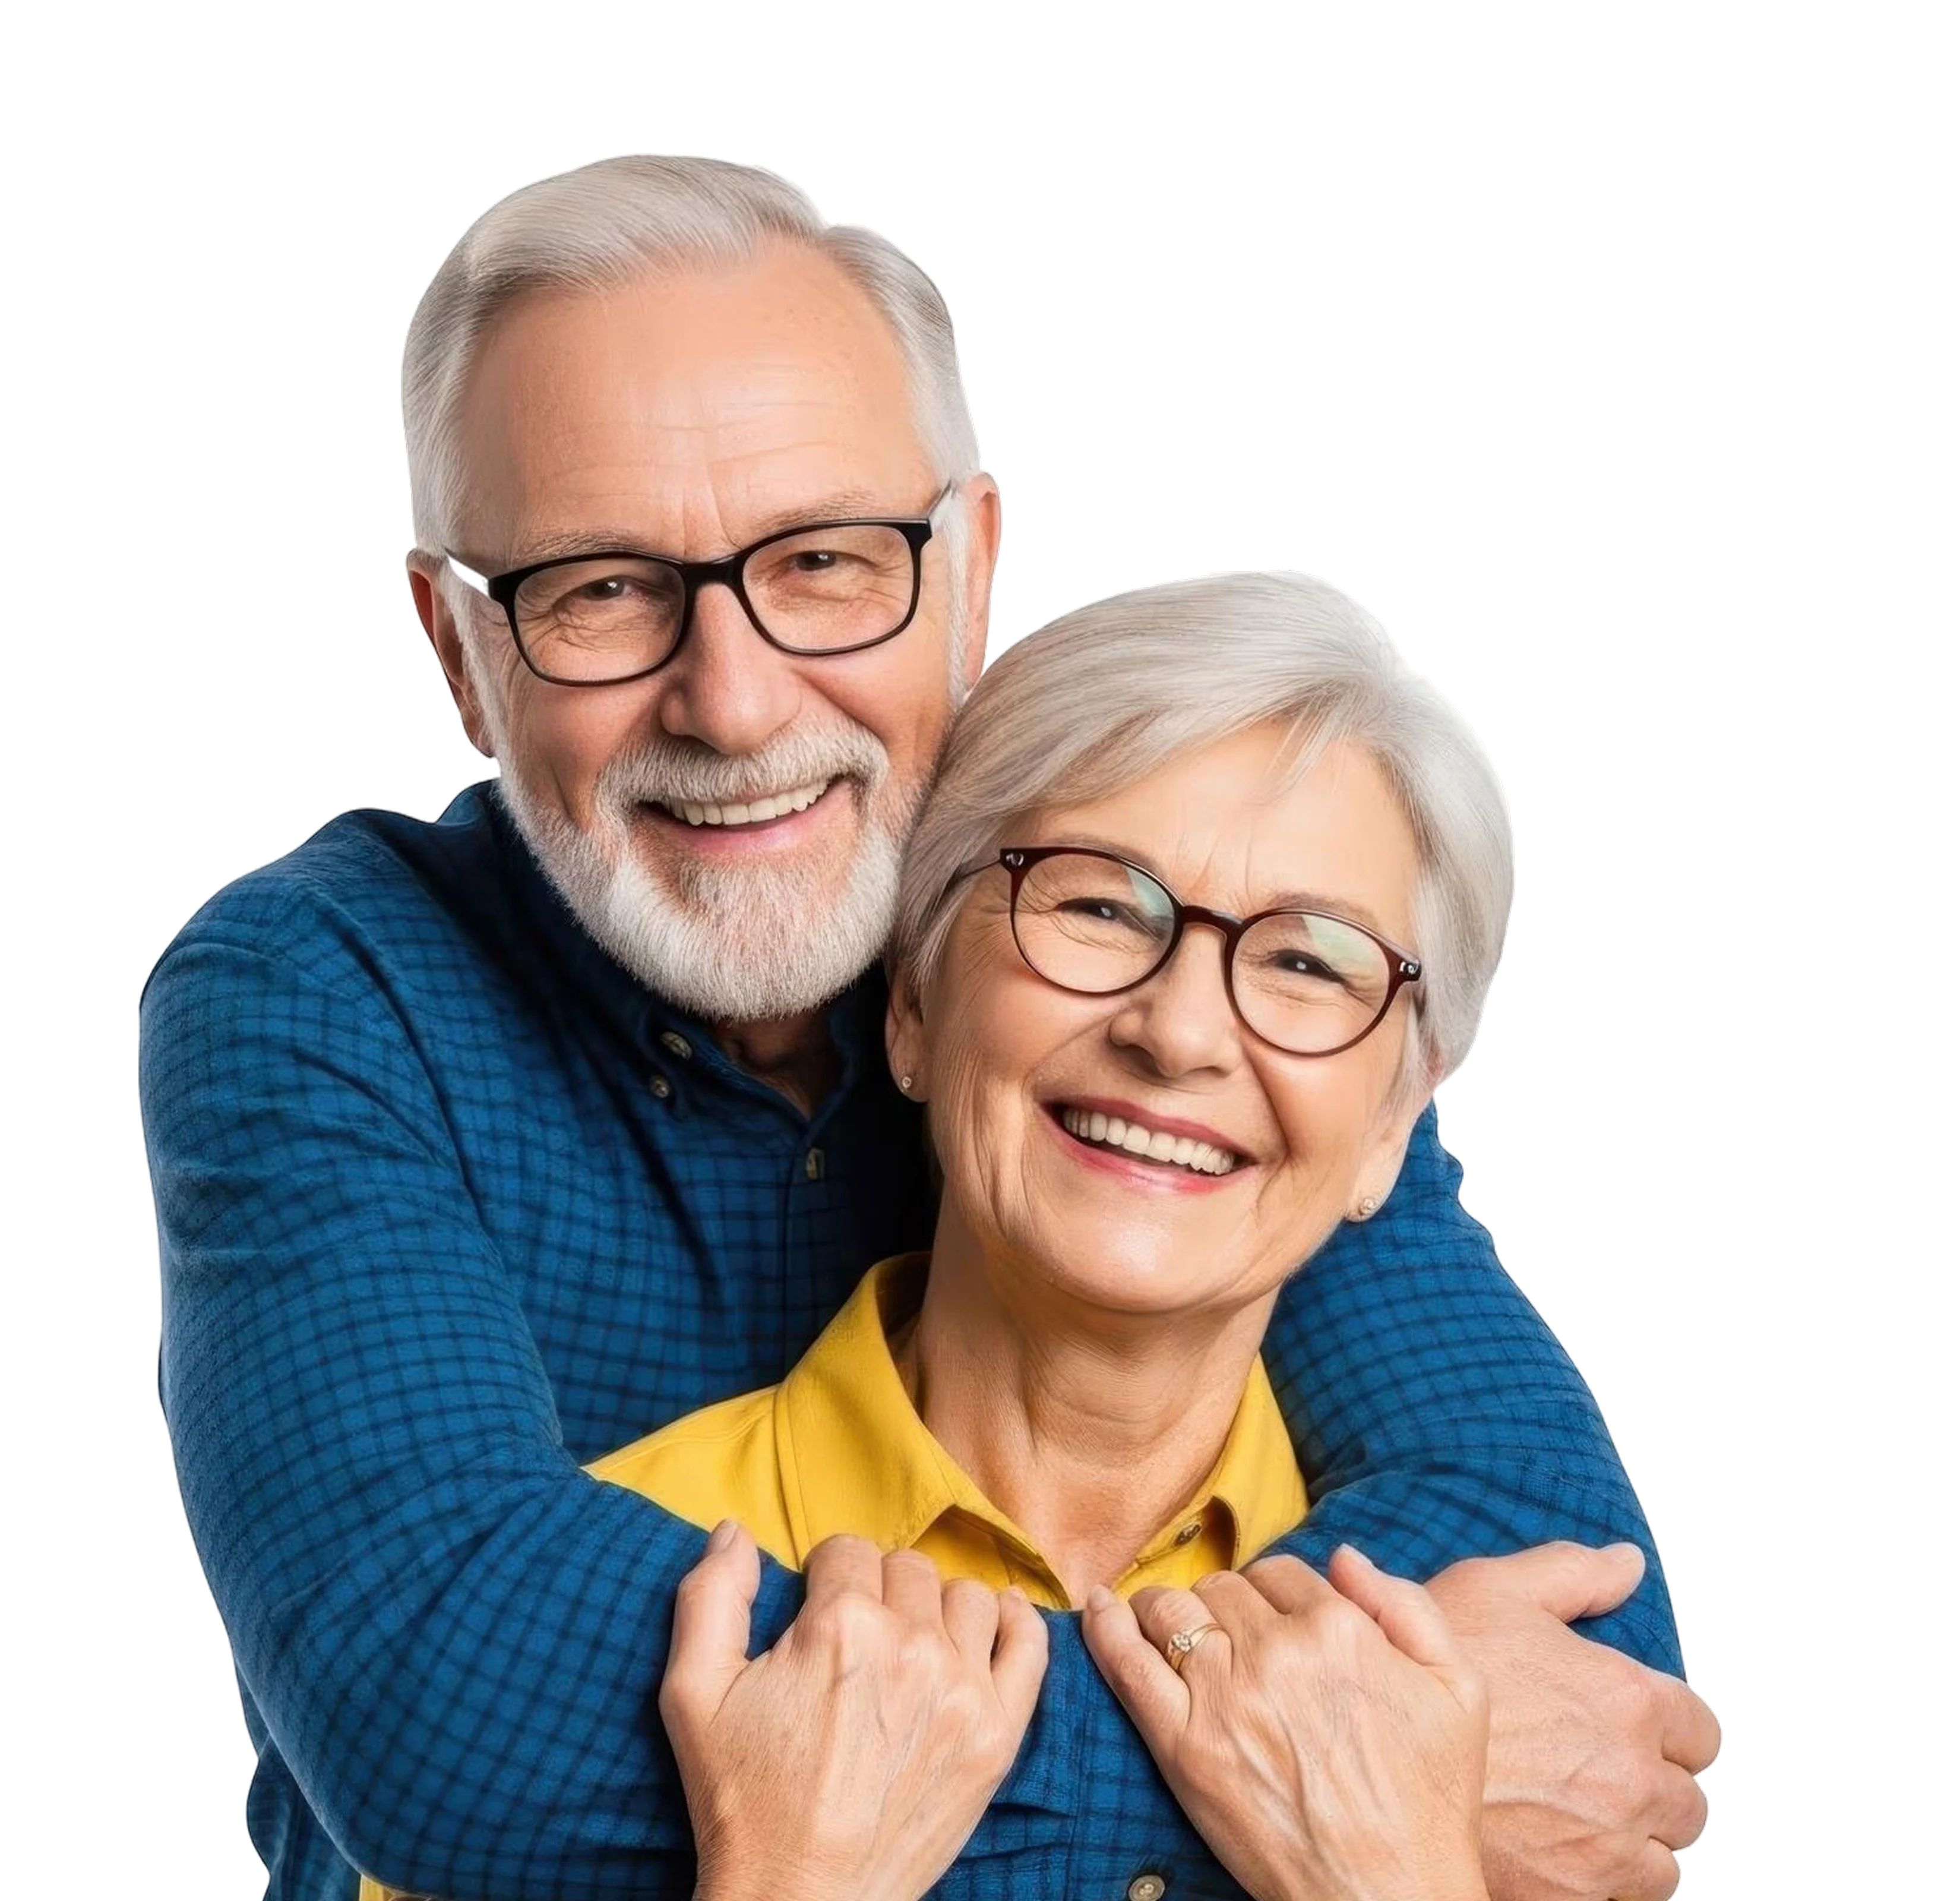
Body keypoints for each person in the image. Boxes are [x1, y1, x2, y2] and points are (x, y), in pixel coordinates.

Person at [143, 154, 1715, 1900]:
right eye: (598, 589)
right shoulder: (328, 987)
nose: (733, 706)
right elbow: (447, 1710)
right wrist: (1341, 1776)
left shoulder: (1118, 903)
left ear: (971, 563)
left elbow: (1570, 1609)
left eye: (823, 562)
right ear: (455, 643)